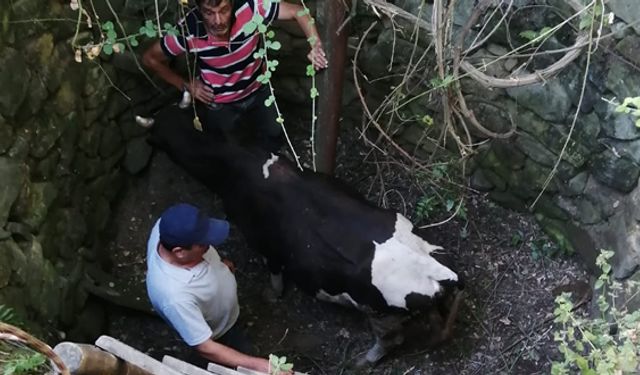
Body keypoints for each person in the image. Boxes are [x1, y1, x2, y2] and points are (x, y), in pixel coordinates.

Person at [142, 0, 328, 152]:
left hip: (258, 91)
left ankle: (272, 164)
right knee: (227, 149)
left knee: (273, 133)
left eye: (224, 10)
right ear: (198, 10)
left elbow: (298, 11)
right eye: (209, 13)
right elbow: (150, 58)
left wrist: (315, 44)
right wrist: (185, 84)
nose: (218, 20)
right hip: (219, 103)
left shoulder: (250, 8)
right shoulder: (188, 30)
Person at [145, 203, 287, 373]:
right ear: (180, 252)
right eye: (204, 244)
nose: (209, 246)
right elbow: (205, 347)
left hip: (224, 312)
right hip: (219, 332)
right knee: (231, 347)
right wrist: (259, 365)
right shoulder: (175, 297)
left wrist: (220, 265)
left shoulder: (167, 228)